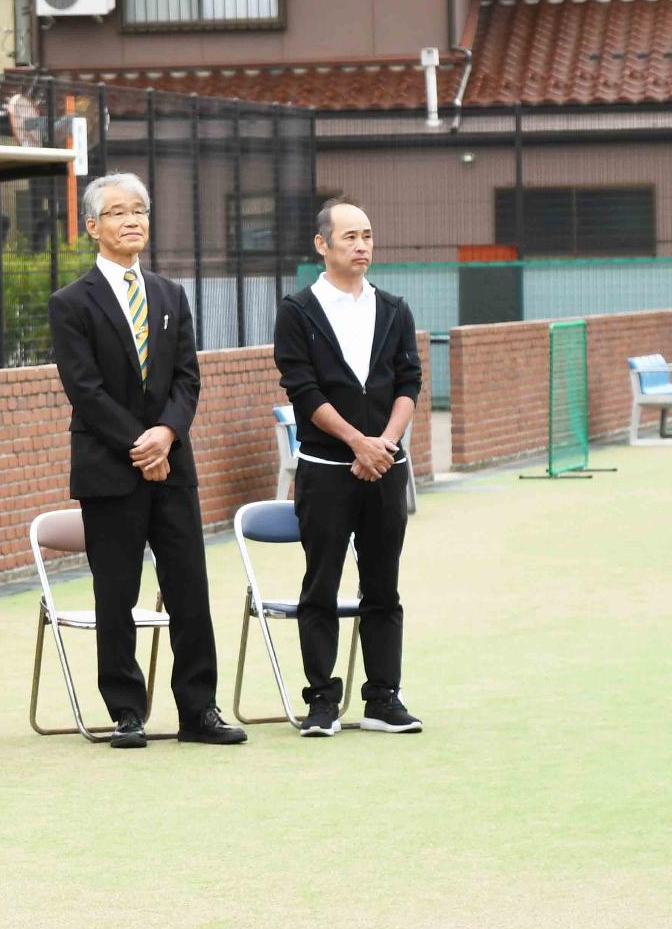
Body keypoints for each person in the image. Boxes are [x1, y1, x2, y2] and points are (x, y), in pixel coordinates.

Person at [46, 173, 246, 750]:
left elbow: (187, 378)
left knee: (189, 588)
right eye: (117, 213)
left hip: (173, 465)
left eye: (139, 211)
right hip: (111, 469)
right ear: (92, 227)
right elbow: (84, 389)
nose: (131, 221)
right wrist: (141, 445)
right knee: (117, 592)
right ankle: (126, 710)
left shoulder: (169, 295)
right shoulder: (71, 303)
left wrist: (166, 435)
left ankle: (199, 709)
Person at [272, 198, 424, 738]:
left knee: (383, 585)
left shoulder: (394, 309)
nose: (362, 246)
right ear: (322, 246)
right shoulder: (297, 311)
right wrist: (357, 442)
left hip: (385, 468)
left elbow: (409, 383)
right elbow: (303, 390)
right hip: (325, 469)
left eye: (367, 236)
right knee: (321, 585)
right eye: (350, 237)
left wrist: (383, 443)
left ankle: (383, 698)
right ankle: (321, 702)